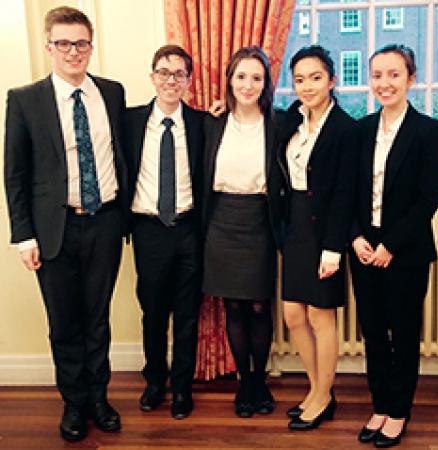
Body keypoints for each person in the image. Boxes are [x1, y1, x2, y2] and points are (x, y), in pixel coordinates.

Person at [3, 6, 128, 441]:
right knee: (64, 322)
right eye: (64, 43)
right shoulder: (25, 99)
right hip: (53, 229)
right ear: (49, 47)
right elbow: (14, 172)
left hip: (106, 223)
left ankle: (99, 397)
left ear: (91, 46)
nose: (73, 51)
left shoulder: (112, 93)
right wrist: (23, 236)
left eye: (81, 43)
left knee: (97, 318)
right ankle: (74, 404)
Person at [350, 44, 438, 448]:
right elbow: (348, 192)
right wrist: (355, 237)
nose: (384, 83)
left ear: (411, 79)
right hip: (363, 250)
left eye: (393, 74)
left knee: (403, 333)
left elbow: (427, 199)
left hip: (404, 252)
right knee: (372, 331)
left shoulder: (429, 130)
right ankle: (379, 405)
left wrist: (390, 244)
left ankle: (398, 411)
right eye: (377, 75)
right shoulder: (360, 129)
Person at [123, 45, 204, 420]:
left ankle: (183, 389)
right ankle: (155, 382)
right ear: (152, 76)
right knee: (153, 312)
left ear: (189, 80)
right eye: (164, 72)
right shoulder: (128, 121)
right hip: (148, 229)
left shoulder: (204, 123)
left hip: (189, 229)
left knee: (187, 314)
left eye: (179, 74)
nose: (171, 80)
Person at [278, 45, 357, 431]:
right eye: (299, 80)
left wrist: (333, 247)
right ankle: (315, 388)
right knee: (293, 314)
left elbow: (345, 193)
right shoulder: (292, 118)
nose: (306, 86)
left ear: (331, 80)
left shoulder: (345, 128)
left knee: (320, 316)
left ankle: (324, 395)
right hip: (293, 225)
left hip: (324, 230)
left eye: (315, 78)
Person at [202, 46, 283, 418]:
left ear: (265, 83)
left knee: (258, 305)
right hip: (221, 221)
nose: (248, 85)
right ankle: (244, 383)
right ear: (230, 81)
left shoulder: (280, 123)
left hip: (259, 222)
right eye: (241, 76)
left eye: (256, 77)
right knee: (232, 305)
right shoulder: (213, 122)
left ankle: (259, 382)